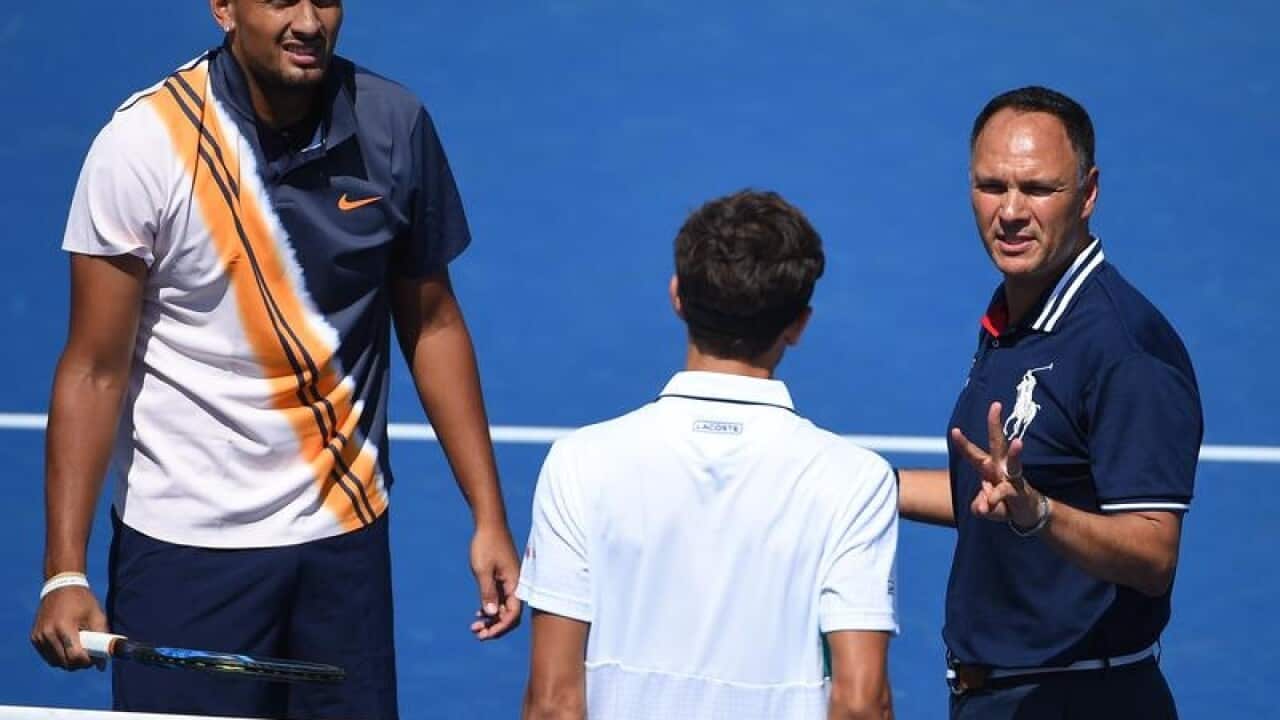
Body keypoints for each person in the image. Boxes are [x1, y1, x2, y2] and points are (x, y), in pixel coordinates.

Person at [30, 1, 522, 717]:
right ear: (224, 9)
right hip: (184, 552)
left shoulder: (395, 124)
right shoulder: (143, 143)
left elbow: (435, 322)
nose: (308, 21)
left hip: (342, 544)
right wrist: (62, 570)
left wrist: (488, 516)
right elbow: (92, 368)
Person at [516, 190, 899, 720]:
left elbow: (553, 703)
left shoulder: (577, 463)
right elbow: (860, 704)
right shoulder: (858, 481)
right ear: (799, 323)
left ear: (677, 296)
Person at [898, 86, 1203, 719]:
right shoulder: (1018, 317)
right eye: (991, 186)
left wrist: (1036, 512)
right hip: (999, 697)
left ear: (1088, 193)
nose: (1009, 211)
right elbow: (989, 491)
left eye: (1038, 189)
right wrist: (845, 479)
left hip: (1080, 700)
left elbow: (1152, 554)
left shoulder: (1124, 349)